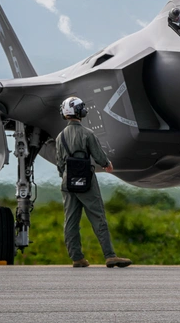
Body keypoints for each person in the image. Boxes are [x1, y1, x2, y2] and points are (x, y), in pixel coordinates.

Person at [55, 96, 133, 268]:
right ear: (79, 112)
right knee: (98, 218)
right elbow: (98, 155)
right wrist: (107, 164)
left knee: (70, 221)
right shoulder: (87, 133)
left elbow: (59, 163)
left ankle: (77, 258)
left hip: (67, 182)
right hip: (86, 181)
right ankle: (110, 255)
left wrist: (66, 177)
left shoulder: (60, 137)